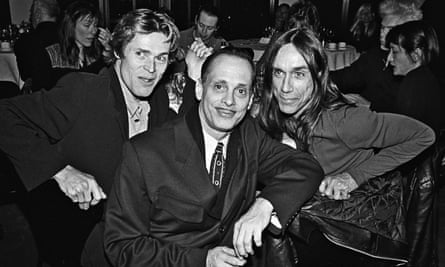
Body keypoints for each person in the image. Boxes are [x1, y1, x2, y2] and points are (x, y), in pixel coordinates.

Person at [103, 47, 324, 266]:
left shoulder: (250, 136)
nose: (229, 101)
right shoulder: (144, 153)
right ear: (199, 89)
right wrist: (203, 261)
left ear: (249, 102)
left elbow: (306, 167)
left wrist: (265, 204)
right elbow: (122, 246)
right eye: (219, 87)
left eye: (240, 91)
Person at [0, 9, 180, 266]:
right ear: (118, 51)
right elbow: (5, 115)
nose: (151, 69)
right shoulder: (84, 91)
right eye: (141, 54)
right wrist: (60, 171)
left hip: (136, 238)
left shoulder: (159, 98)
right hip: (84, 242)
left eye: (161, 58)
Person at [258, 27, 435, 266]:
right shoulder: (279, 113)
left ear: (318, 74)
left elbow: (423, 135)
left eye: (298, 74)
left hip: (354, 229)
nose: (285, 87)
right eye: (279, 73)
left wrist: (354, 176)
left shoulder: (343, 122)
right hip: (318, 213)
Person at [331, 0, 423, 113]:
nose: (382, 33)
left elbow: (407, 114)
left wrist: (371, 105)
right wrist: (315, 76)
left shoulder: (412, 66)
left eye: (389, 29)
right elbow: (344, 78)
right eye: (382, 28)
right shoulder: (374, 56)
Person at [31, 0, 112, 92]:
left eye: (95, 25)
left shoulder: (96, 53)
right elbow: (39, 92)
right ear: (71, 26)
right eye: (87, 25)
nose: (94, 31)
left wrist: (108, 50)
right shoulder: (52, 54)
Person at [386, 20, 441, 132]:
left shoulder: (413, 85)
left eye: (395, 52)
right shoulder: (426, 77)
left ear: (416, 55)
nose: (389, 59)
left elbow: (400, 133)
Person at [14, 0, 60, 83]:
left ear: (37, 14)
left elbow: (25, 74)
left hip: (41, 93)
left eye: (32, 13)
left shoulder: (26, 41)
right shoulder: (69, 36)